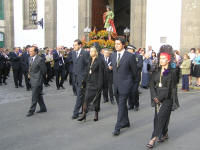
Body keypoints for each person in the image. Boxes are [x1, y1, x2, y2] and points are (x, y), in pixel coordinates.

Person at [147, 45, 179, 148]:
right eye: (160, 58)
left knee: (160, 117)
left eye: (164, 58)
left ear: (168, 60)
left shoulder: (172, 72)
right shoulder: (155, 71)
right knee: (159, 117)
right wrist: (154, 96)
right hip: (157, 97)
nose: (161, 60)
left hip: (167, 98)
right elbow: (151, 84)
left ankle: (153, 138)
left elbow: (170, 88)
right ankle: (164, 133)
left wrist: (159, 98)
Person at [109, 37, 137, 136]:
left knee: (121, 106)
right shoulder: (113, 55)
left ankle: (117, 127)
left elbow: (134, 72)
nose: (116, 45)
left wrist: (131, 85)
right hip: (116, 85)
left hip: (126, 85)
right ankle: (126, 122)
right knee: (121, 105)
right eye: (115, 44)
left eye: (118, 44)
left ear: (123, 45)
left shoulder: (130, 56)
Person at [78, 47, 103, 122]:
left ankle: (96, 114)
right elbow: (87, 71)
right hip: (89, 82)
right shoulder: (89, 60)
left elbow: (101, 73)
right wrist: (84, 81)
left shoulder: (99, 61)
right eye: (90, 51)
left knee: (96, 100)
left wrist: (100, 84)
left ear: (96, 52)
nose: (90, 52)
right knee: (86, 99)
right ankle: (84, 114)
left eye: (92, 51)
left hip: (96, 82)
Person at [26, 46, 47, 117]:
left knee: (34, 96)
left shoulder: (40, 59)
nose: (30, 52)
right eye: (29, 51)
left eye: (31, 51)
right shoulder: (29, 58)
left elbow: (44, 70)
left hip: (37, 80)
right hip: (32, 79)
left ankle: (31, 110)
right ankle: (43, 108)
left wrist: (40, 79)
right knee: (38, 95)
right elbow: (30, 67)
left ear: (35, 52)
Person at [71, 39, 89, 119]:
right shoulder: (73, 53)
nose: (74, 47)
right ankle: (84, 109)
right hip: (75, 78)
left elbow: (88, 65)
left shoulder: (85, 53)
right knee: (82, 95)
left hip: (82, 78)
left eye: (75, 45)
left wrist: (84, 76)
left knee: (79, 95)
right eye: (73, 45)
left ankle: (75, 112)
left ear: (80, 45)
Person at [126, 45, 143, 111]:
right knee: (129, 92)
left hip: (136, 77)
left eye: (128, 49)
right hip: (128, 78)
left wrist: (131, 67)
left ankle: (136, 105)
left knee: (134, 91)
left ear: (132, 50)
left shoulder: (139, 56)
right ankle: (130, 105)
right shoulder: (127, 56)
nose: (127, 50)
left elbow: (139, 65)